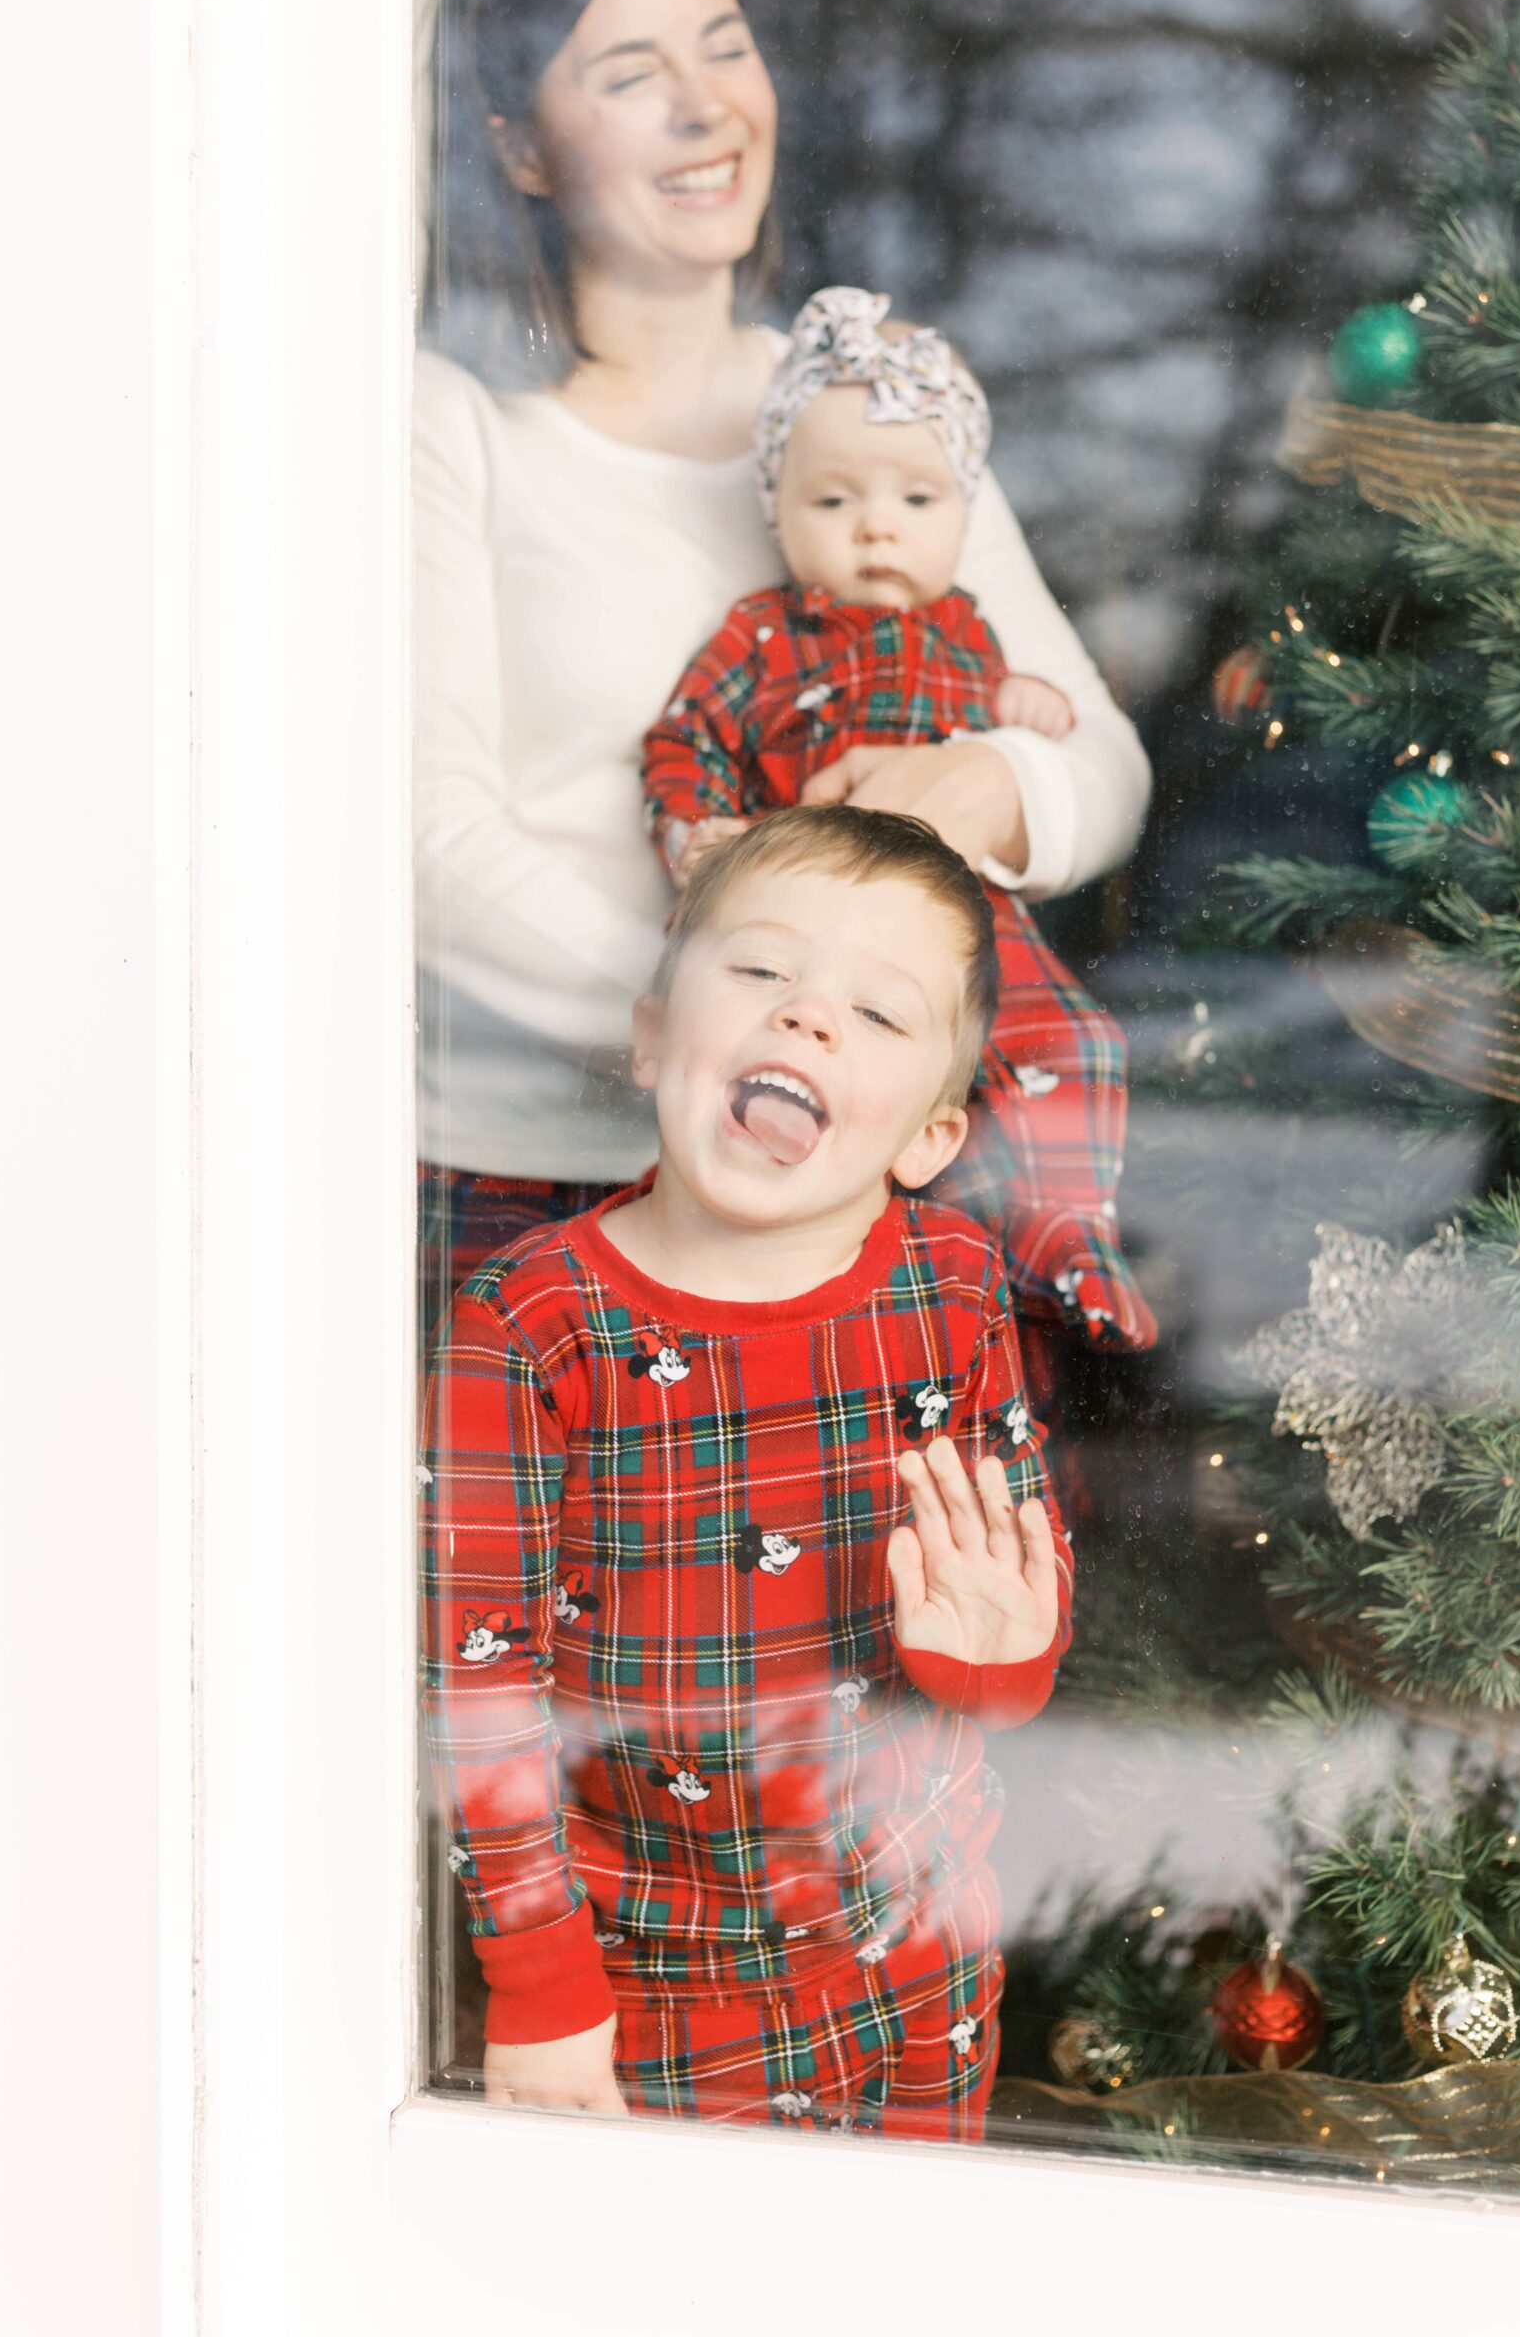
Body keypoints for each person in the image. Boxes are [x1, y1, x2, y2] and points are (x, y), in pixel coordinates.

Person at [413, 0, 1152, 1343]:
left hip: (859, 1194)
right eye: (628, 75)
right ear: (517, 147)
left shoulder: (861, 407)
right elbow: (424, 842)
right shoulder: (454, 422)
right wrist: (750, 1020)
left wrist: (983, 780)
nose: (704, 107)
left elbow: (1100, 771)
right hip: (545, 1181)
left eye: (724, 46)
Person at [420, 807, 1074, 2135]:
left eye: (877, 1016)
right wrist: (541, 1983)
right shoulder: (532, 1323)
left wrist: (1001, 1654)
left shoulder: (949, 1290)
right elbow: (477, 1687)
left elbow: (1010, 1562)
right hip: (655, 1988)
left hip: (918, 1954)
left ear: (928, 1138)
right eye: (762, 973)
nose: (807, 1020)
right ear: (654, 1034)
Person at [642, 285, 1157, 1357]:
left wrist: (1023, 715)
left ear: (964, 517)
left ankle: (1067, 1237)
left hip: (966, 910)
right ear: (777, 511)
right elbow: (684, 739)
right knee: (853, 1094)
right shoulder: (764, 637)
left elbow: (1039, 734)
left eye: (917, 501)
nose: (878, 525)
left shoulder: (968, 630)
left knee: (1075, 1045)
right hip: (825, 916)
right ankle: (900, 1276)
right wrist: (698, 833)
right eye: (834, 503)